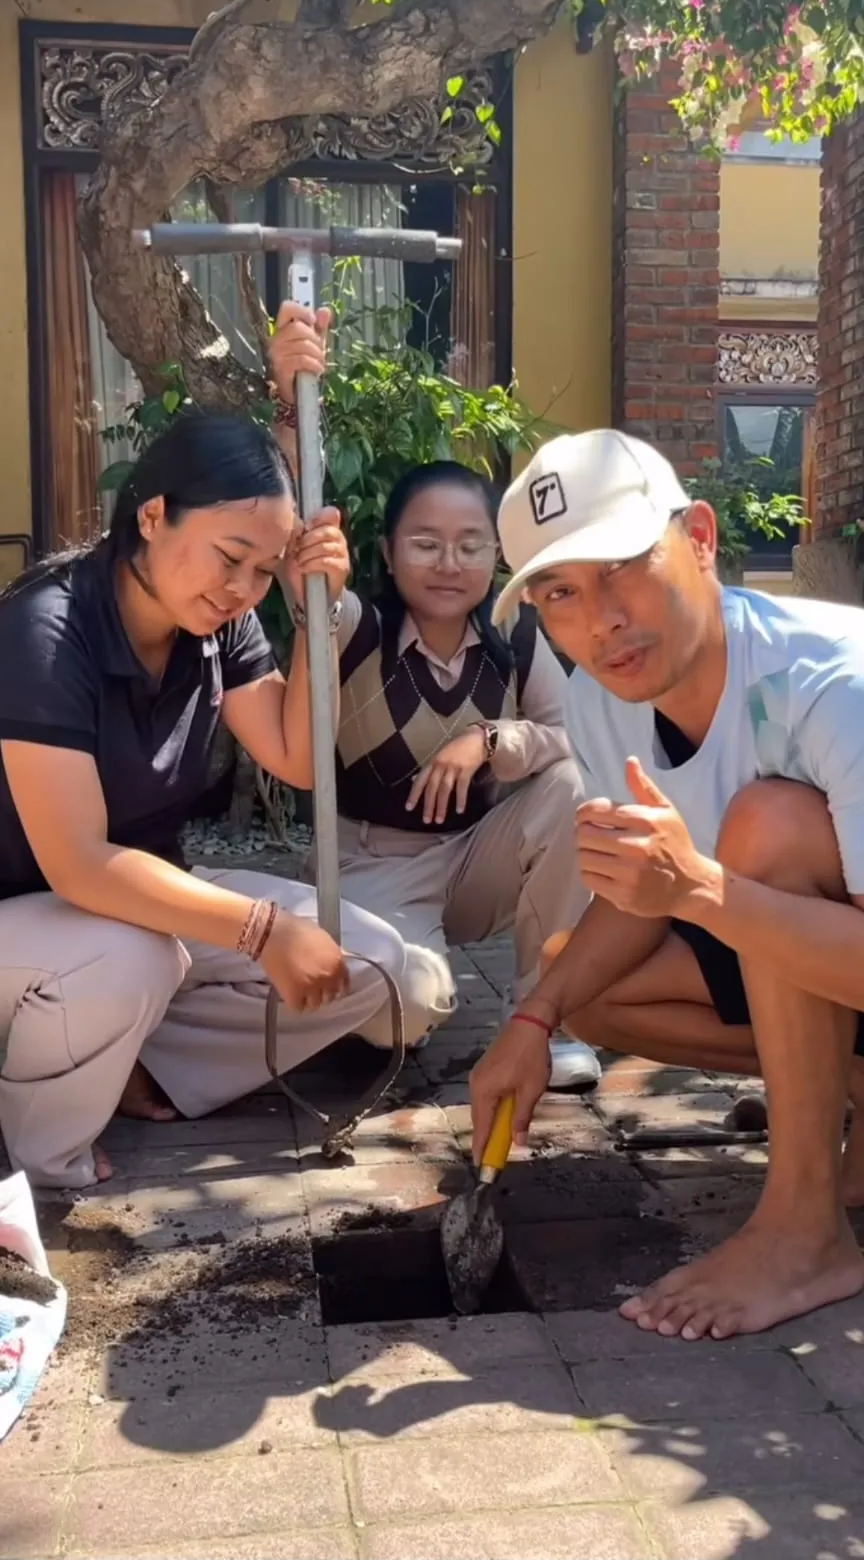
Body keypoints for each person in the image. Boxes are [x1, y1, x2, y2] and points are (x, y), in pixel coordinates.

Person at [469, 427, 864, 1340]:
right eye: (561, 594)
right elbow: (634, 896)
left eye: (622, 566)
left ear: (700, 538)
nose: (599, 618)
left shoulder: (830, 685)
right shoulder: (605, 696)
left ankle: (806, 1233)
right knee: (584, 982)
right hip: (821, 946)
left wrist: (695, 891)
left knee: (766, 825)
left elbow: (690, 890)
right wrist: (533, 1021)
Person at [0, 411, 406, 1190]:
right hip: (31, 912)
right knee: (133, 957)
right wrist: (260, 930)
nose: (241, 588)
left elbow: (297, 761)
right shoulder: (46, 634)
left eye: (263, 569)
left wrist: (313, 608)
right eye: (229, 557)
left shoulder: (219, 626)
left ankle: (123, 1054)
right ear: (151, 514)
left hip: (131, 905)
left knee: (369, 960)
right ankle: (40, 1158)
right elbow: (78, 863)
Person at [269, 307, 598, 1072]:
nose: (449, 563)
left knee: (575, 789)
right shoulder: (354, 626)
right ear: (387, 550)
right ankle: (405, 963)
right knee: (401, 1013)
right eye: (425, 543)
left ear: (497, 552)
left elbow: (573, 734)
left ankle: (547, 1018)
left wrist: (488, 741)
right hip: (374, 865)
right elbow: (299, 542)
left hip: (477, 858)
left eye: (470, 544)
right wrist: (291, 406)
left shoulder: (515, 636)